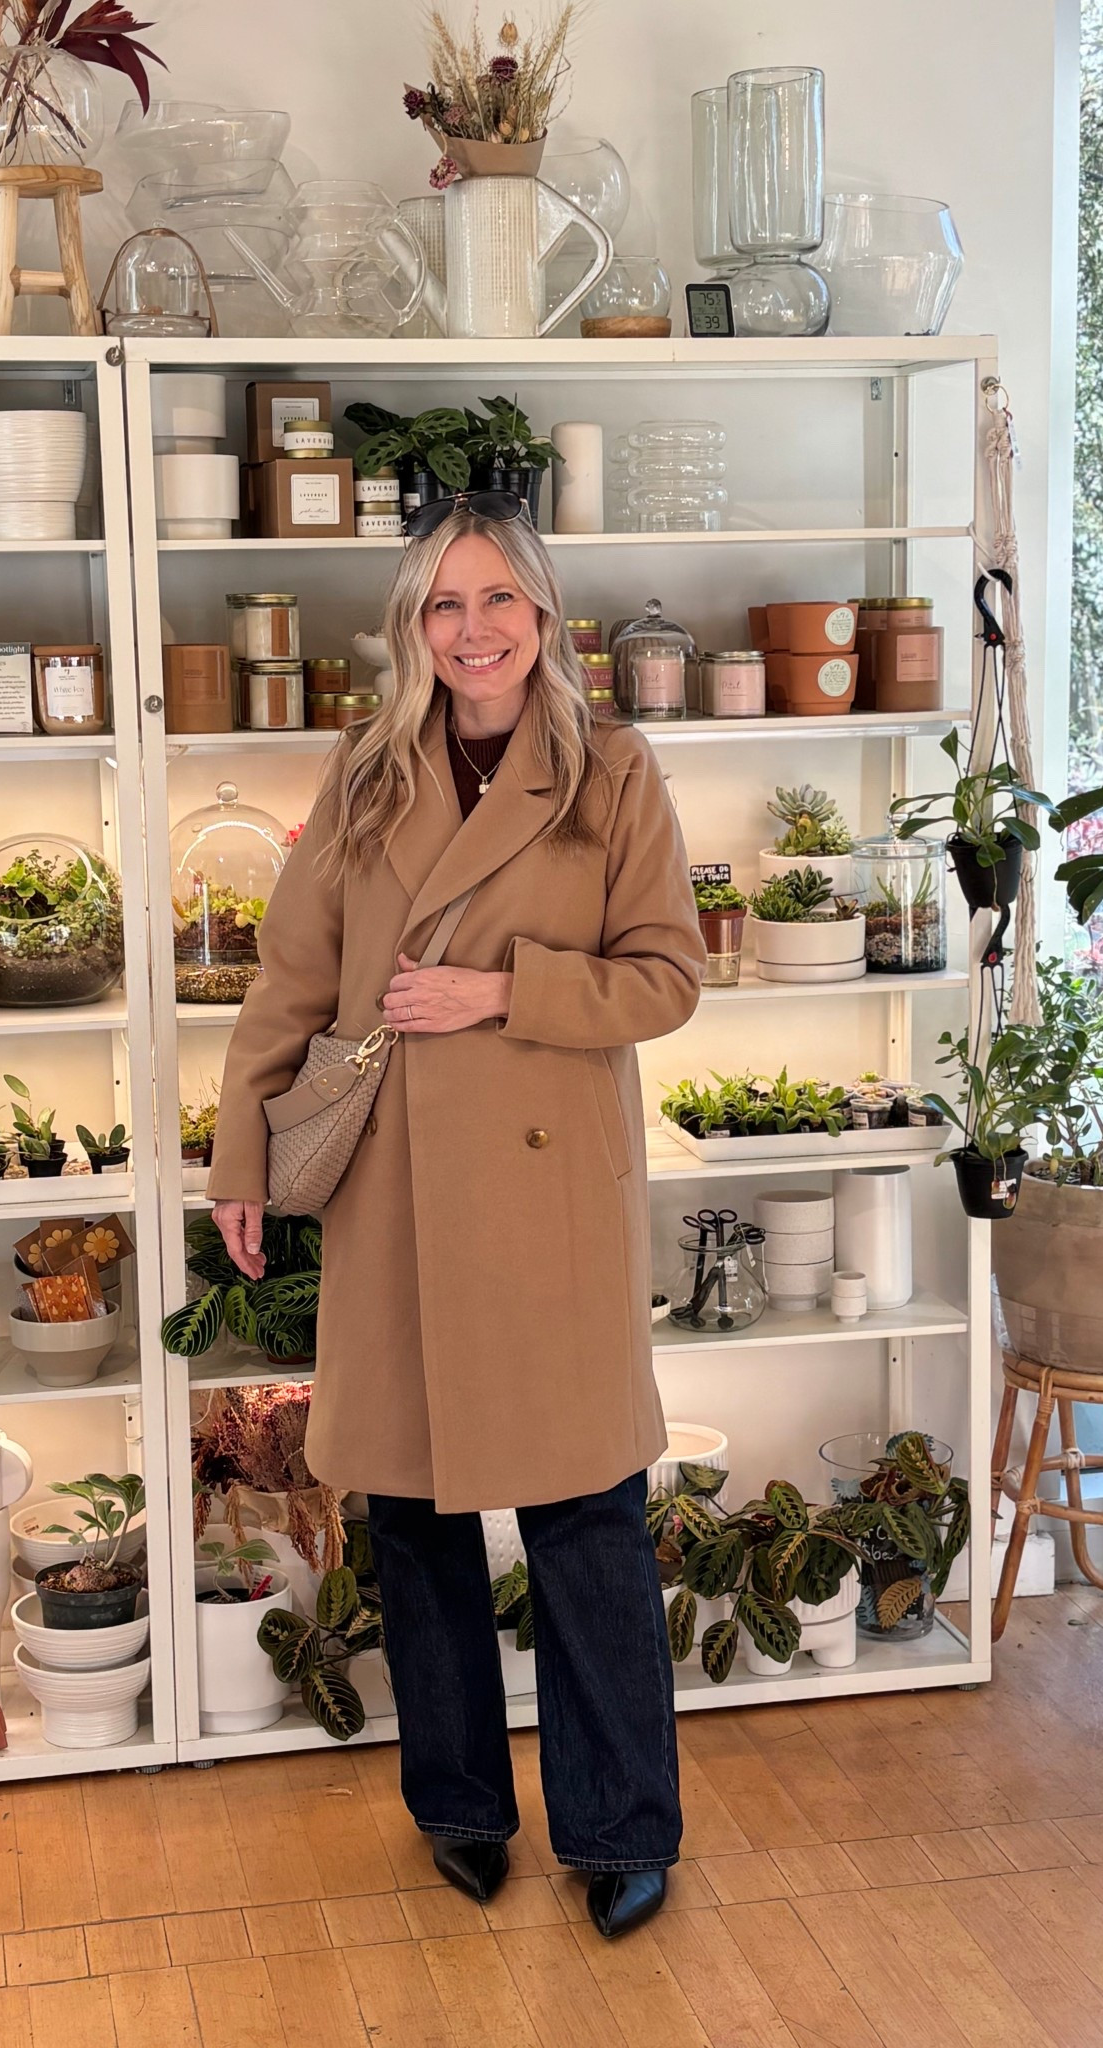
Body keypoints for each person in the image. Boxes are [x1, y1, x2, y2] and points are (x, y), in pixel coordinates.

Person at [205, 492, 705, 1939]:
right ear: (411, 628)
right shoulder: (365, 775)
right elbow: (291, 983)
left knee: (586, 1522)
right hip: (400, 1196)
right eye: (443, 605)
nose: (473, 631)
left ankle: (621, 1830)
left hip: (550, 1199)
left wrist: (502, 992)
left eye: (498, 601)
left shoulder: (610, 768)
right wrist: (242, 1156)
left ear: (544, 618)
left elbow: (666, 979)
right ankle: (463, 1810)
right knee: (418, 1524)